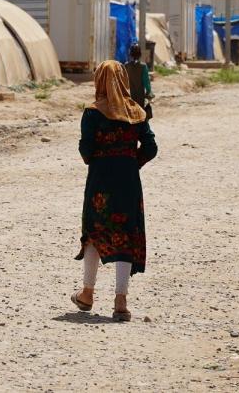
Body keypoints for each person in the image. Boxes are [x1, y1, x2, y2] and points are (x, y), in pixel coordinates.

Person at [71, 60, 157, 322]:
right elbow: (151, 148)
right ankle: (121, 301)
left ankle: (87, 293)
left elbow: (86, 149)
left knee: (95, 232)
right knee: (125, 235)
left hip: (100, 180)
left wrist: (101, 158)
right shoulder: (137, 113)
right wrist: (131, 161)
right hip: (129, 181)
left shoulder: (93, 113)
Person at [122, 43, 153, 120]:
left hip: (128, 97)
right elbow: (147, 83)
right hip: (140, 97)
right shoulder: (143, 66)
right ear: (140, 54)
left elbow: (122, 81)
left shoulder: (126, 66)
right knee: (140, 117)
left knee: (130, 116)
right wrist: (149, 92)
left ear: (130, 54)